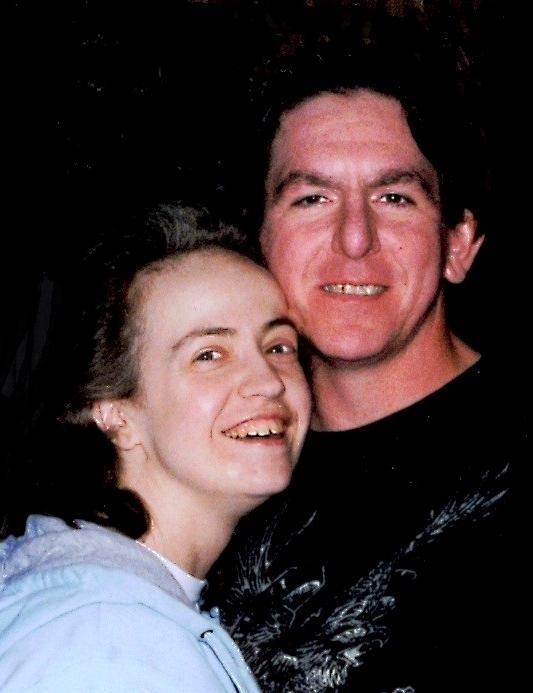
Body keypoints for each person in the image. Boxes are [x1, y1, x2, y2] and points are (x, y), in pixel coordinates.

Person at [204, 52, 527, 692]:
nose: (356, 238)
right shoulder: (216, 464)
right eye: (312, 198)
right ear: (258, 244)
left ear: (458, 243)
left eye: (394, 197)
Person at [0, 204, 311, 692]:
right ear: (116, 413)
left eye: (278, 347)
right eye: (209, 354)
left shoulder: (120, 607)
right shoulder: (104, 642)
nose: (269, 381)